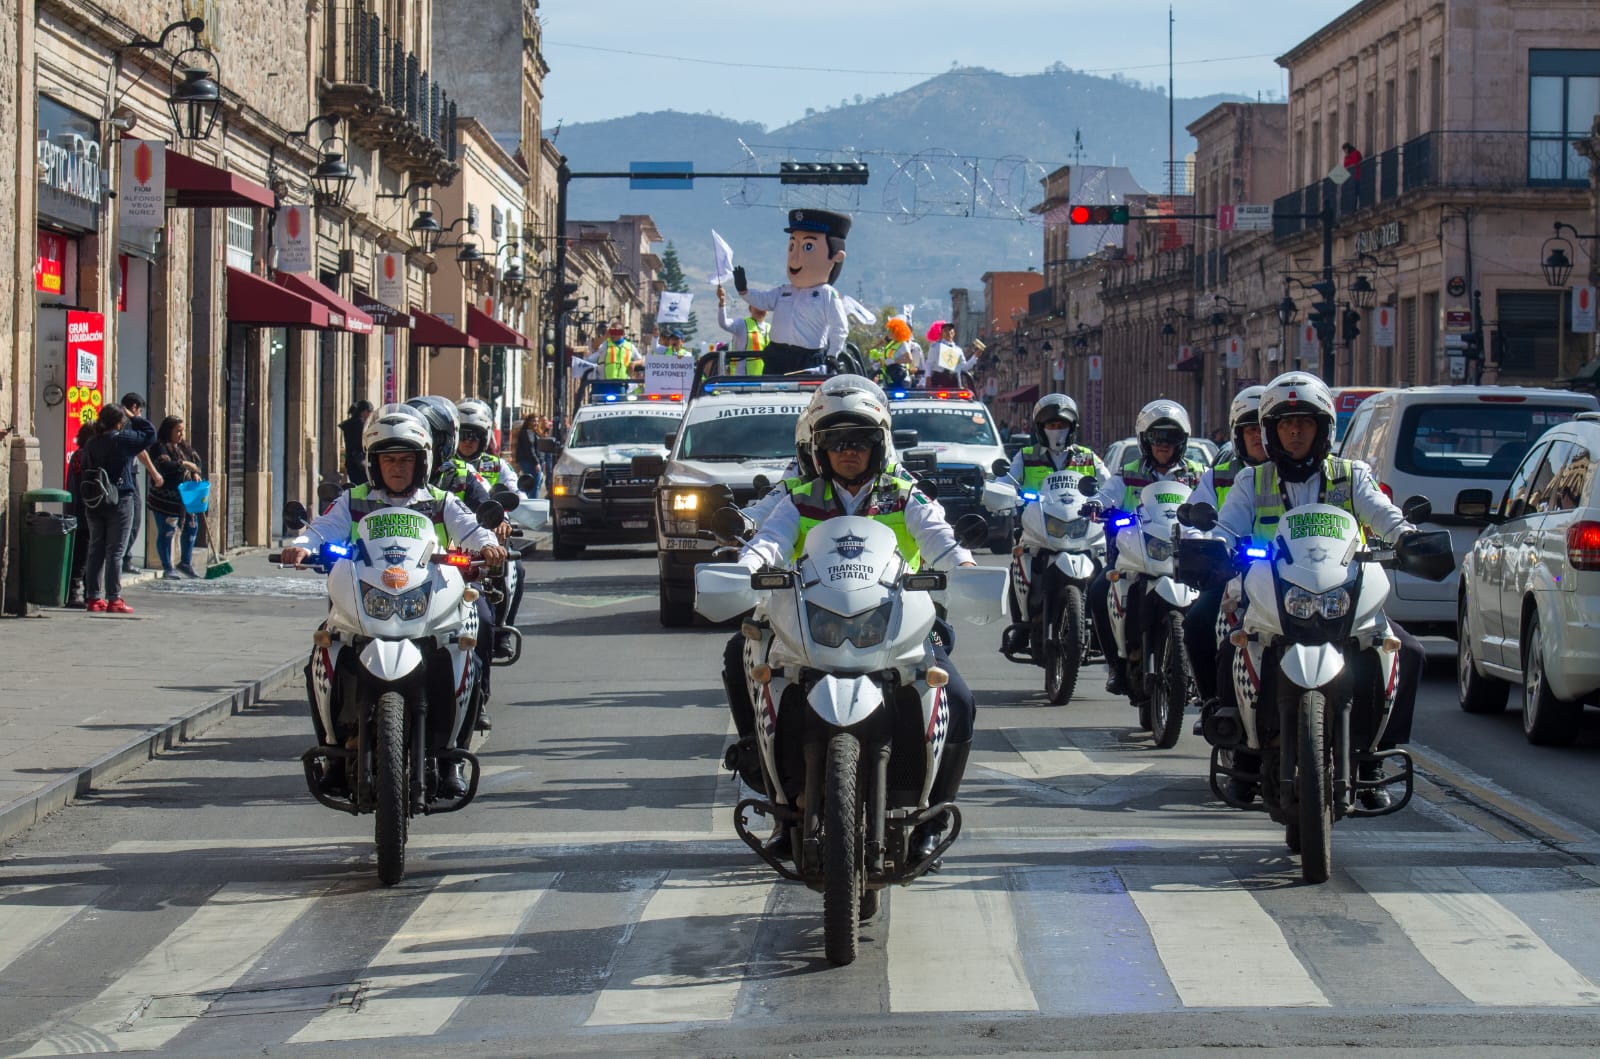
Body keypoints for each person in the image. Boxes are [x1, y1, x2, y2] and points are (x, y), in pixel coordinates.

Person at [731, 375, 978, 863]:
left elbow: (941, 541)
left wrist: (963, 569)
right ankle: (784, 810)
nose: (850, 452)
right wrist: (744, 568)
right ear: (820, 449)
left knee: (962, 701)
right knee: (762, 672)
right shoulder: (800, 496)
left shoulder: (904, 495)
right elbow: (768, 540)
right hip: (815, 624)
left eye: (861, 442)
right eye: (838, 443)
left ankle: (931, 817)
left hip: (896, 625)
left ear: (878, 446)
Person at [1213, 371, 1424, 811]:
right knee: (1229, 642)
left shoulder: (1352, 475)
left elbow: (1383, 514)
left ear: (1323, 429)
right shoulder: (1253, 482)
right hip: (1272, 596)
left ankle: (1373, 760)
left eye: (1304, 423)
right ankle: (1244, 754)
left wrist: (1404, 537)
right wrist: (1216, 542)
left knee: (1409, 650)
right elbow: (1228, 524)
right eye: (1285, 424)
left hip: (1342, 596)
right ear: (1270, 432)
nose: (1294, 432)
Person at [281, 404, 507, 798]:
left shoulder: (440, 500)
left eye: (406, 460)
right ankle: (334, 754)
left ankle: (452, 755)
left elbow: (470, 529)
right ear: (373, 464)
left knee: (466, 642)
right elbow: (321, 529)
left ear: (422, 463)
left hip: (427, 600)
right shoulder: (353, 500)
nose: (397, 468)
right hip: (366, 601)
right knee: (325, 648)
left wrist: (487, 546)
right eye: (388, 460)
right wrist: (302, 547)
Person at [1084, 399, 1206, 696]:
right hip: (1133, 557)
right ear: (1145, 440)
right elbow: (1108, 493)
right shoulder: (1128, 472)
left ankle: (1197, 674)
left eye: (1171, 438)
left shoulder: (1198, 473)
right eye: (1157, 437)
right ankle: (1116, 665)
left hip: (1181, 557)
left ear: (1183, 441)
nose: (1164, 444)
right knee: (1099, 592)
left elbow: (1213, 502)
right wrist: (1097, 504)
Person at [1183, 385, 1267, 752]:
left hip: (1298, 581)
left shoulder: (1323, 473)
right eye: (1252, 431)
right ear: (1238, 434)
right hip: (1234, 575)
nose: (1262, 439)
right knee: (1197, 622)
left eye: (1268, 429)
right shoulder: (1219, 474)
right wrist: (1205, 545)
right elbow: (1194, 513)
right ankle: (1214, 704)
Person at [999, 393, 1111, 654]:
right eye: (1051, 425)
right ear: (1040, 428)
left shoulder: (1088, 457)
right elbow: (1007, 483)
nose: (1056, 431)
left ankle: (1098, 627)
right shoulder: (1025, 456)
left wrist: (1105, 503)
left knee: (1104, 567)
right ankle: (1022, 625)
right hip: (1038, 529)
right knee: (1020, 562)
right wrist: (1005, 496)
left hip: (1079, 528)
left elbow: (1108, 488)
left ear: (1072, 428)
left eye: (1061, 425)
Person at [739, 208, 851, 374]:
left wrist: (833, 354)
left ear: (836, 256)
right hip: (776, 356)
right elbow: (763, 300)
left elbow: (839, 327)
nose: (795, 256)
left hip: (807, 358)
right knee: (770, 397)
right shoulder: (784, 291)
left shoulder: (827, 294)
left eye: (808, 247)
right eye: (792, 246)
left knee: (804, 398)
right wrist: (744, 290)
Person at [80, 404, 156, 613]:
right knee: (115, 550)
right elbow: (150, 434)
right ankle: (114, 598)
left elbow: (85, 466)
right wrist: (135, 418)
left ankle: (93, 598)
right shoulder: (121, 439)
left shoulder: (91, 442)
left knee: (96, 548)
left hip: (95, 500)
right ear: (119, 422)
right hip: (120, 498)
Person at [146, 416, 204, 579]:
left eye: (182, 431)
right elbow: (164, 465)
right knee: (167, 531)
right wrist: (183, 465)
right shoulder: (159, 447)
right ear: (168, 430)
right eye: (177, 431)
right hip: (165, 500)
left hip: (185, 499)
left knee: (192, 527)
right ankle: (167, 566)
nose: (180, 434)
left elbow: (197, 463)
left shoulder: (185, 448)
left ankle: (185, 562)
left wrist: (195, 473)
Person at [118, 393, 162, 575]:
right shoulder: (128, 424)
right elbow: (143, 448)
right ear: (134, 408)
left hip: (127, 475)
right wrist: (154, 473)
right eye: (140, 410)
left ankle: (123, 558)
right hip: (128, 476)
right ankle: (123, 559)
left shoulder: (122, 424)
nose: (141, 414)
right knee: (133, 519)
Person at [63, 422, 97, 607]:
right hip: (82, 513)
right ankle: (75, 593)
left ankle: (83, 592)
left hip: (80, 512)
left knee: (85, 554)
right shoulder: (83, 457)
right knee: (82, 555)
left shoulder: (80, 455)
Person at [716, 285, 770, 375]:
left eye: (763, 306)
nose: (760, 309)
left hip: (762, 380)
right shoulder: (742, 324)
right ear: (750, 308)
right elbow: (723, 323)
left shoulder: (770, 328)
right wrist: (722, 303)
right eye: (757, 306)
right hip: (742, 379)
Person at [925, 322, 975, 389]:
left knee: (954, 399)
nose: (948, 332)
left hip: (953, 379)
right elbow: (929, 363)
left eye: (950, 330)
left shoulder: (958, 350)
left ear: (954, 333)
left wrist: (975, 356)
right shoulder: (936, 346)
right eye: (945, 330)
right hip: (939, 378)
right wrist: (928, 377)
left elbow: (964, 367)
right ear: (942, 333)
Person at [340, 400, 374, 486]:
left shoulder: (348, 424)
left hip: (351, 462)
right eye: (370, 412)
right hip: (361, 463)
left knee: (356, 487)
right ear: (364, 412)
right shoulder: (361, 425)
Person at [513, 413, 543, 497]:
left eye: (537, 421)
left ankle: (528, 500)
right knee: (534, 485)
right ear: (528, 422)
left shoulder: (534, 432)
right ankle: (533, 502)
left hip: (531, 461)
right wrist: (536, 463)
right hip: (529, 461)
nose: (536, 423)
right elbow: (530, 449)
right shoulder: (526, 433)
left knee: (533, 484)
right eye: (533, 421)